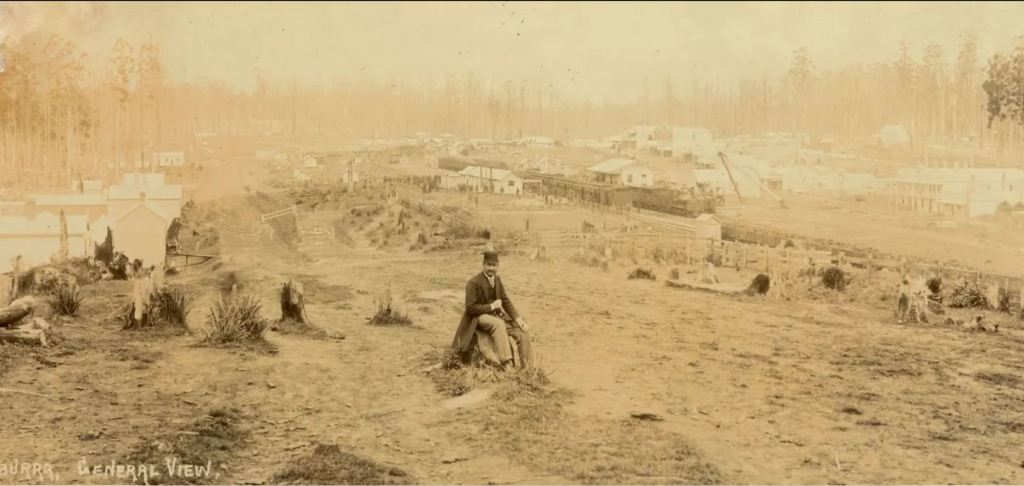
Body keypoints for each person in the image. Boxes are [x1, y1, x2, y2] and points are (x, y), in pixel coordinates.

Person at [451, 251, 533, 370]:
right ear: (483, 264)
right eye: (488, 265)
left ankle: (527, 367)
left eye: (494, 265)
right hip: (478, 317)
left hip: (497, 315)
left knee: (521, 329)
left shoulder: (497, 280)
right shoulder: (473, 283)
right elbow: (470, 308)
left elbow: (505, 300)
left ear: (497, 266)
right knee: (498, 324)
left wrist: (518, 319)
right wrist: (492, 306)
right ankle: (507, 363)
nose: (491, 268)